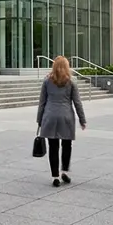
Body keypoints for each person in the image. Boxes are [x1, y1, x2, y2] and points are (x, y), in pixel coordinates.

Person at [37, 56, 86, 187]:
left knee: (53, 147)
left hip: (50, 116)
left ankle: (55, 176)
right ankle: (64, 171)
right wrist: (82, 119)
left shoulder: (47, 81)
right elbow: (77, 103)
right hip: (66, 117)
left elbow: (42, 102)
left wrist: (39, 119)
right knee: (67, 145)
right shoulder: (71, 82)